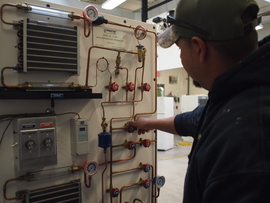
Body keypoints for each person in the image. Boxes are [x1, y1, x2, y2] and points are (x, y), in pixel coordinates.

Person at [128, 0, 270, 202]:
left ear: (198, 48)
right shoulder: (238, 94)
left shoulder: (246, 145)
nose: (181, 57)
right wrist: (149, 123)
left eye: (179, 49)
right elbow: (194, 120)